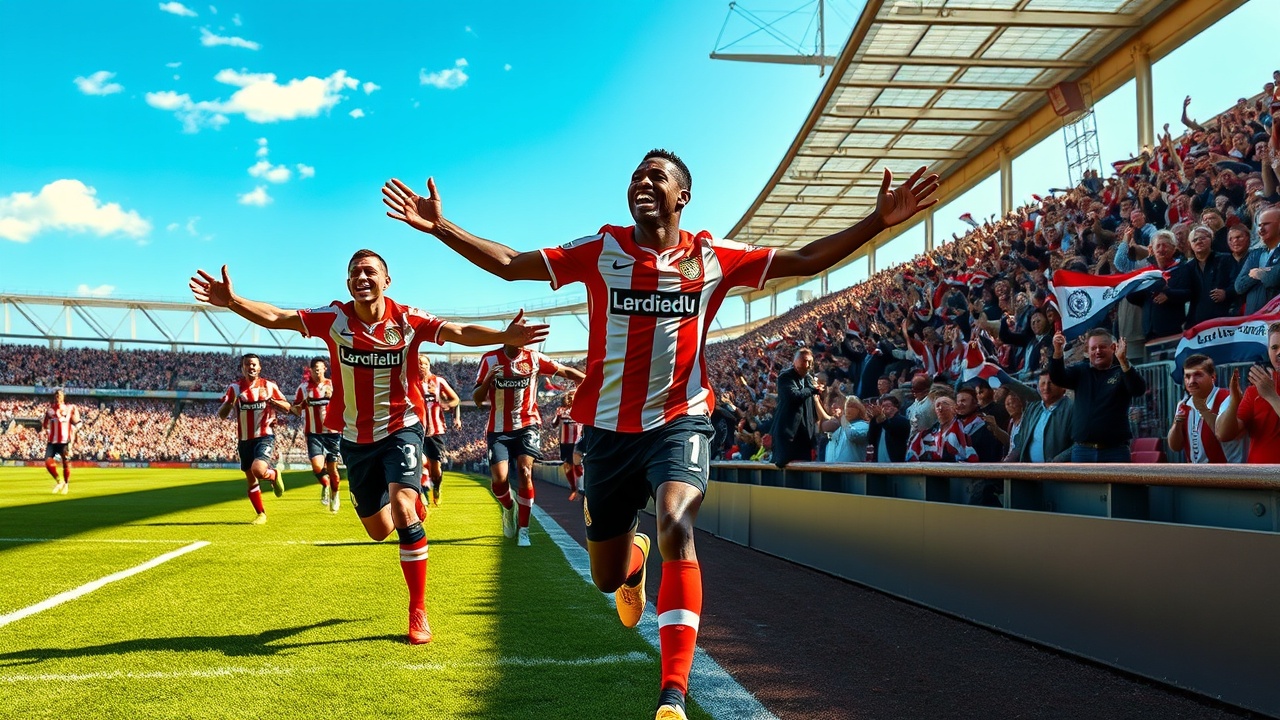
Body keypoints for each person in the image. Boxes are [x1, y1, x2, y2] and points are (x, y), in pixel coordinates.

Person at [382, 150, 938, 719]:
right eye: (635, 177)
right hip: (607, 433)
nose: (642, 182)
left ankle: (672, 695)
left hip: (680, 420)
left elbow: (805, 259)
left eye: (656, 176)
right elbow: (509, 264)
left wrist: (877, 221)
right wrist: (442, 227)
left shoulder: (712, 257)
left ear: (682, 197)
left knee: (676, 523)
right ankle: (633, 562)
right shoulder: (601, 251)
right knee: (606, 578)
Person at [190, 250, 548, 645]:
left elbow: (459, 331)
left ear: (386, 281)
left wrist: (503, 337)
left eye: (369, 271)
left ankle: (417, 610)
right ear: (348, 283)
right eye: (354, 273)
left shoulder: (407, 320)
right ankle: (410, 503)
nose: (362, 277)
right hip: (355, 438)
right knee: (378, 531)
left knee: (403, 508)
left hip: (402, 428)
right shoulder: (334, 318)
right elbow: (278, 317)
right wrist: (233, 302)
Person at [475, 342, 585, 547]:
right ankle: (509, 508)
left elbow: (565, 370)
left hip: (528, 424)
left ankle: (524, 530)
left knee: (525, 471)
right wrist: (489, 378)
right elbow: (477, 399)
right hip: (498, 430)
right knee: (499, 480)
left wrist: (591, 381)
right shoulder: (490, 359)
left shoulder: (534, 357)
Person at [1049, 329, 1146, 463]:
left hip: (1115, 451)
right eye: (1093, 348)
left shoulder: (1122, 371)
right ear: (1088, 352)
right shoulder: (1081, 371)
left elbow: (1138, 390)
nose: (1098, 351)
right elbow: (1058, 378)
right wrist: (1058, 352)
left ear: (1113, 348)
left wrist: (1123, 362)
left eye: (1102, 347)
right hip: (1083, 451)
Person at [218, 354, 290, 524]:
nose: (251, 367)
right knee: (251, 479)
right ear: (242, 368)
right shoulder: (235, 388)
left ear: (259, 367)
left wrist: (274, 403)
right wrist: (229, 403)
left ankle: (273, 474)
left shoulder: (269, 386)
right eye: (247, 364)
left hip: (264, 436)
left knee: (258, 470)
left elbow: (287, 407)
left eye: (254, 364)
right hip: (244, 440)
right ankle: (261, 514)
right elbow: (222, 415)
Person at [1214, 322, 1280, 463]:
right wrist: (1234, 403)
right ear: (1268, 351)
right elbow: (1223, 435)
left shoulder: (1264, 390)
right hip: (1257, 476)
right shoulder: (1255, 389)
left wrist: (1272, 396)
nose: (1279, 352)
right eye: (1274, 347)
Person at [1169, 354, 1245, 463]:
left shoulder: (1227, 399)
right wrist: (1177, 424)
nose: (1191, 381)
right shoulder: (1184, 404)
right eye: (1187, 376)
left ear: (1213, 377)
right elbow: (1175, 447)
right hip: (1196, 472)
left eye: (1198, 375)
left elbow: (1222, 434)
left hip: (1227, 472)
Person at [293, 356, 342, 512]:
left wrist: (334, 397)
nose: (317, 372)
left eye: (319, 369)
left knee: (333, 470)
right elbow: (296, 409)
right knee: (317, 466)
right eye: (314, 370)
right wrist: (303, 403)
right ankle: (325, 485)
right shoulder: (303, 388)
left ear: (325, 369)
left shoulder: (334, 386)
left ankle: (335, 495)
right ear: (310, 371)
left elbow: (345, 403)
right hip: (313, 434)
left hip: (332, 434)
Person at [772, 348, 830, 467]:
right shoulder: (785, 377)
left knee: (804, 467)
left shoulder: (808, 378)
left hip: (805, 435)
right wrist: (813, 389)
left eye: (810, 362)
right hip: (788, 435)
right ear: (795, 362)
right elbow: (794, 396)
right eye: (804, 361)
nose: (807, 365)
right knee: (786, 466)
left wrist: (818, 390)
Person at [419, 355, 461, 507]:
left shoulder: (438, 381)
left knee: (435, 469)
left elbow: (456, 399)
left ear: (429, 366)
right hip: (415, 429)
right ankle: (421, 492)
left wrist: (444, 404)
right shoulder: (410, 382)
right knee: (418, 462)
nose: (421, 366)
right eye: (418, 363)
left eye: (424, 363)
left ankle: (436, 486)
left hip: (435, 431)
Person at [1008, 373, 1074, 463]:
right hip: (1028, 469)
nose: (1046, 388)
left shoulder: (1072, 409)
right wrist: (1008, 461)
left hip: (1057, 470)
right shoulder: (1032, 408)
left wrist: (1058, 460)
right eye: (1043, 383)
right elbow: (1020, 439)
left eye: (1051, 383)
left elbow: (1079, 444)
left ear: (1063, 387)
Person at [1234, 206, 1280, 315]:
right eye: (1259, 225)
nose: (1261, 229)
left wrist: (1257, 273)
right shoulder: (1255, 253)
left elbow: (1273, 279)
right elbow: (1239, 286)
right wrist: (1263, 274)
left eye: (1266, 224)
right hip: (1253, 319)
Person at [907, 395, 978, 464]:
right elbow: (911, 456)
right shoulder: (924, 435)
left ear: (955, 409)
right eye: (937, 405)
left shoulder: (967, 431)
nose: (940, 408)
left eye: (945, 404)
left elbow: (972, 459)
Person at [42, 389, 79, 494]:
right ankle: (59, 481)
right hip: (52, 441)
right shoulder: (50, 410)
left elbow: (77, 422)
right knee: (48, 462)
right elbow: (45, 424)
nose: (58, 396)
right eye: (57, 394)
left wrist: (74, 434)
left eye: (60, 394)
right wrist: (46, 429)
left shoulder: (69, 408)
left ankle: (66, 484)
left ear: (63, 397)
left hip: (65, 441)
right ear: (55, 396)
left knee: (65, 463)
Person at [552, 390, 585, 501]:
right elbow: (554, 424)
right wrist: (557, 417)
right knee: (567, 464)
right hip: (565, 442)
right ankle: (573, 487)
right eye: (568, 397)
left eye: (572, 397)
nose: (570, 399)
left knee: (577, 463)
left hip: (577, 441)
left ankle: (581, 488)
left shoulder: (580, 407)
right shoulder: (560, 410)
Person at [819, 395, 870, 462]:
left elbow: (852, 436)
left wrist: (843, 420)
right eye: (846, 406)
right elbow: (824, 428)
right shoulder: (840, 426)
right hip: (830, 467)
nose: (847, 409)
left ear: (859, 409)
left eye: (851, 406)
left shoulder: (864, 425)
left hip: (852, 467)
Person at [867, 394, 910, 462]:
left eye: (888, 406)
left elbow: (892, 429)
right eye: (883, 406)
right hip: (879, 462)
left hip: (896, 462)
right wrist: (874, 419)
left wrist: (881, 417)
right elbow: (870, 440)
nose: (885, 408)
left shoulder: (903, 421)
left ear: (896, 407)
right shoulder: (880, 422)